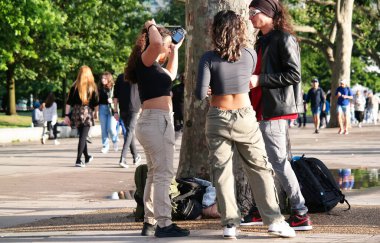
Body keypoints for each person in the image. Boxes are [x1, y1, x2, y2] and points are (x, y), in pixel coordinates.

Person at [196, 10, 296, 239]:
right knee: (259, 168)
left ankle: (230, 225)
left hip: (217, 117)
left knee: (222, 172)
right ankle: (274, 221)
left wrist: (212, 88)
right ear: (239, 30)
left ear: (215, 30)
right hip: (244, 118)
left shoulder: (208, 58)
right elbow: (245, 81)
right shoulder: (250, 54)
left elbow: (200, 94)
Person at [245, 0, 312, 231]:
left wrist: (259, 80)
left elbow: (294, 74)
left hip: (274, 110)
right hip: (258, 108)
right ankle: (263, 209)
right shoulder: (261, 40)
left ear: (267, 13)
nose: (250, 17)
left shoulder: (284, 38)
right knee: (260, 162)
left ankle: (300, 211)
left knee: (278, 162)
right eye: (249, 12)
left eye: (253, 12)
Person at [124, 19, 189, 238]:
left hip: (155, 122)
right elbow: (154, 43)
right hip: (156, 122)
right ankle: (164, 223)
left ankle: (150, 221)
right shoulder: (147, 58)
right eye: (165, 44)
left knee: (154, 174)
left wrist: (175, 50)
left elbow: (171, 75)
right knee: (163, 174)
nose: (165, 47)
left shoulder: (155, 68)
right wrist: (150, 25)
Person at [64, 65, 99, 167]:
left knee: (82, 136)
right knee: (83, 137)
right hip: (87, 113)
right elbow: (96, 103)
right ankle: (78, 160)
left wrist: (66, 115)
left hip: (76, 113)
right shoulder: (92, 87)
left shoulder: (74, 87)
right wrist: (96, 113)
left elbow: (68, 103)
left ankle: (87, 156)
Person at [113, 73, 141, 168]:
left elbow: (115, 96)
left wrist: (116, 111)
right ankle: (123, 159)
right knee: (129, 133)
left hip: (123, 108)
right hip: (134, 108)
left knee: (129, 133)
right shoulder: (138, 76)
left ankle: (136, 156)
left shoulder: (121, 77)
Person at [98, 72, 118, 153]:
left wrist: (112, 101)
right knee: (103, 129)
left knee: (111, 128)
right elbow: (96, 100)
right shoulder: (99, 88)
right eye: (102, 78)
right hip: (102, 108)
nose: (103, 80)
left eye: (105, 78)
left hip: (111, 109)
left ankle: (115, 140)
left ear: (109, 79)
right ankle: (105, 146)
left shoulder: (113, 87)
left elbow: (118, 98)